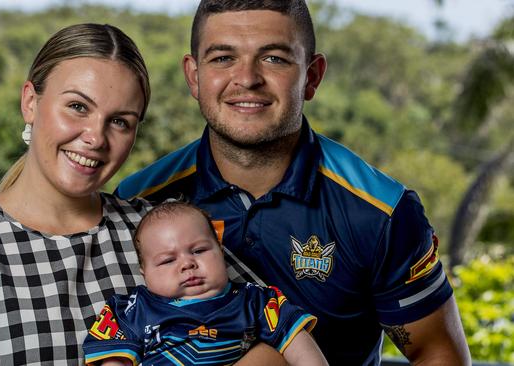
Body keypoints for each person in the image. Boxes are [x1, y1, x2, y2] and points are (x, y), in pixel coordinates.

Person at [115, 1, 472, 365]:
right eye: (223, 58)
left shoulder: (381, 212)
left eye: (274, 59)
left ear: (312, 76)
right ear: (194, 76)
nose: (247, 78)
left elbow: (438, 353)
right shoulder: (138, 201)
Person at [0, 22, 274, 366]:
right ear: (30, 102)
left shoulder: (160, 228)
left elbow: (281, 339)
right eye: (77, 107)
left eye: (119, 122)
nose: (96, 138)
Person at [82, 201, 328, 366]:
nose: (187, 264)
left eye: (199, 250)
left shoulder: (256, 300)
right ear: (144, 272)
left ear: (221, 251)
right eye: (168, 260)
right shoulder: (133, 309)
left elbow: (298, 342)